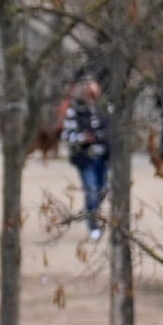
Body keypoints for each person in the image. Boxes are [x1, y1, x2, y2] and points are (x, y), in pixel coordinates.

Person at [62, 79, 112, 237]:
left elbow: (113, 129)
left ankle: (92, 211)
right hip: (85, 158)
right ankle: (93, 225)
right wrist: (83, 137)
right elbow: (66, 136)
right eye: (88, 92)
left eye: (94, 92)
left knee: (103, 189)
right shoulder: (74, 111)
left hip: (104, 157)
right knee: (91, 189)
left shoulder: (106, 109)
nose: (91, 95)